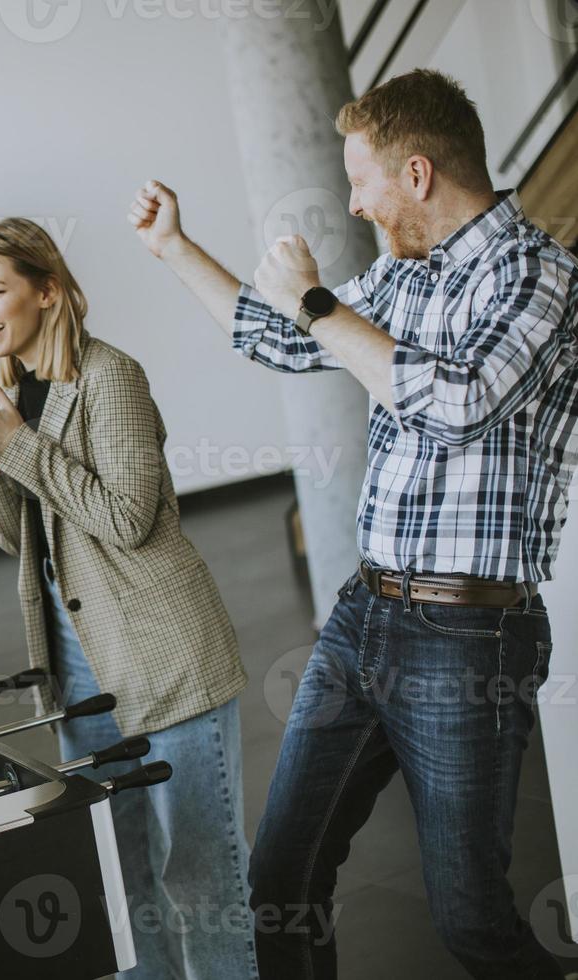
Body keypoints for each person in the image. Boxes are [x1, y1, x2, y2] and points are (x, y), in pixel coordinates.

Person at [131, 69, 576, 979]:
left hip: (470, 634)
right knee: (281, 883)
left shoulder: (542, 273)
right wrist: (177, 249)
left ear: (416, 175)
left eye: (362, 179)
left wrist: (320, 302)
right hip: (363, 615)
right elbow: (284, 339)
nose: (353, 200)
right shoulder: (404, 276)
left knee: (472, 924)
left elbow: (461, 403)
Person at [0, 218, 255, 979]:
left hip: (164, 659)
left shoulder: (113, 377)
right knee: (122, 871)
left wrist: (15, 444)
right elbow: (29, 542)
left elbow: (126, 518)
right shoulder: (17, 389)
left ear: (46, 291)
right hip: (77, 670)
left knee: (201, 877)